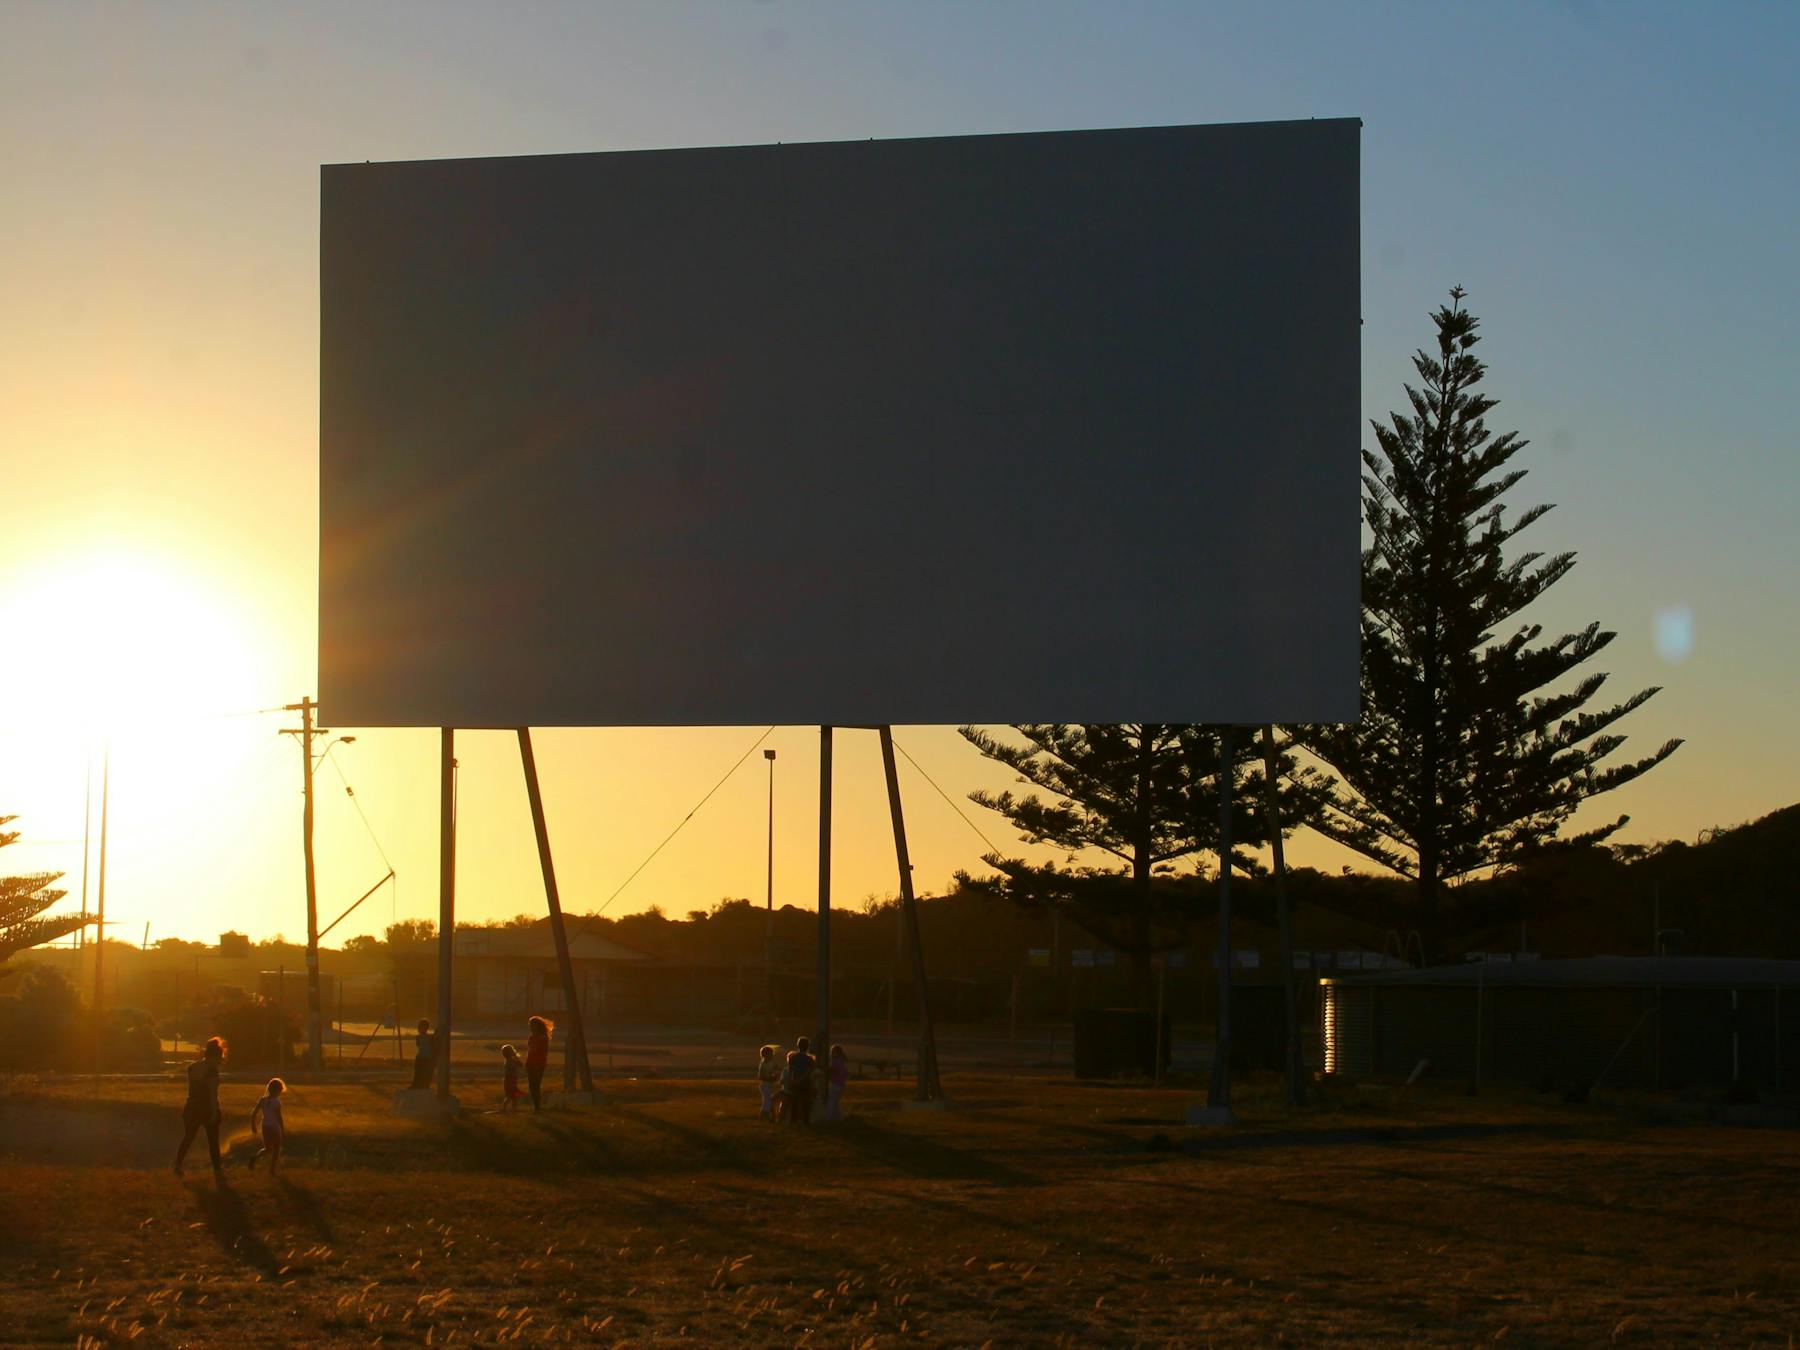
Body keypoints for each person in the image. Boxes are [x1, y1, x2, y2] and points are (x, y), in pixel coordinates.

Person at [173, 1036, 226, 1177]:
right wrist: (214, 1112)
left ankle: (178, 1164)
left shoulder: (192, 1067)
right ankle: (217, 1170)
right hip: (206, 1108)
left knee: (188, 1137)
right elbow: (212, 1093)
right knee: (213, 1141)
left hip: (191, 1106)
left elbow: (193, 1089)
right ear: (216, 1055)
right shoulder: (212, 1070)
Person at [249, 1077, 286, 1174]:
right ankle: (272, 1170)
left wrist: (253, 1125)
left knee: (268, 1149)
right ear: (278, 1090)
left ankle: (255, 1157)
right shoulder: (277, 1102)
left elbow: (254, 1113)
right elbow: (279, 1117)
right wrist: (282, 1129)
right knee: (276, 1149)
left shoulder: (263, 1100)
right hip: (274, 1127)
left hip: (265, 1126)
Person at [525, 1015, 553, 1112]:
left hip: (539, 1064)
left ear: (537, 1026)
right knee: (532, 1086)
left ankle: (537, 1107)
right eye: (530, 1026)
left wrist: (537, 1064)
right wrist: (527, 1062)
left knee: (535, 1085)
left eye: (532, 1025)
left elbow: (541, 1052)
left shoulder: (542, 1038)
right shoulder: (532, 1037)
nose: (531, 1028)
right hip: (530, 1063)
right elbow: (530, 1051)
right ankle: (536, 1106)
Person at [787, 1036, 815, 1125]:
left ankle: (793, 1119)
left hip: (794, 1081)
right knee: (805, 1101)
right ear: (808, 1046)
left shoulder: (793, 1057)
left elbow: (790, 1070)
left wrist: (791, 1081)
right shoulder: (810, 1059)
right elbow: (809, 1072)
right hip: (805, 1082)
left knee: (794, 1101)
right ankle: (806, 1120)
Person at [824, 1044, 850, 1123]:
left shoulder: (835, 1062)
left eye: (833, 1052)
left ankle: (827, 1118)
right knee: (836, 1102)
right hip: (842, 1084)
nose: (831, 1053)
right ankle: (839, 1118)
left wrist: (826, 1071)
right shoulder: (842, 1061)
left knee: (831, 1101)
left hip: (835, 1084)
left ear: (837, 1053)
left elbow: (832, 1071)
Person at [756, 1044, 780, 1120]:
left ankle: (770, 1116)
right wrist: (770, 1078)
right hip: (765, 1085)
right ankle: (764, 1116)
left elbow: (774, 1069)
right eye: (771, 1054)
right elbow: (760, 1076)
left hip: (768, 1085)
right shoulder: (763, 1064)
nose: (772, 1055)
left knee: (768, 1101)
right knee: (767, 1102)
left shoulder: (770, 1063)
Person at [501, 1044, 524, 1113]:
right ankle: (511, 1110)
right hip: (511, 1080)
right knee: (511, 1096)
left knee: (510, 1096)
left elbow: (520, 1065)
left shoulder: (510, 1060)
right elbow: (520, 1065)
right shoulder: (510, 1060)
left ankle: (508, 1109)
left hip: (510, 1080)